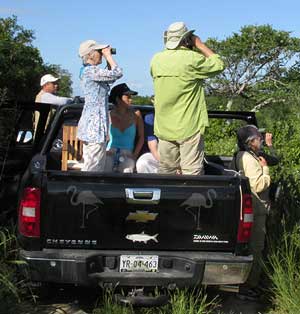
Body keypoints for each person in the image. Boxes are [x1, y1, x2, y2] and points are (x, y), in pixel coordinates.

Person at [150, 21, 225, 175]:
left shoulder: (156, 60)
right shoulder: (192, 58)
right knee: (192, 173)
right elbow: (219, 64)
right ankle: (192, 200)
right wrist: (200, 45)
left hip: (164, 126)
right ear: (186, 39)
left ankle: (166, 198)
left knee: (166, 171)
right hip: (188, 125)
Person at [232, 125, 271, 301]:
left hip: (247, 210)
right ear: (250, 142)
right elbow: (259, 185)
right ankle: (249, 287)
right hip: (256, 209)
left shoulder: (240, 156)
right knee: (256, 248)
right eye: (257, 137)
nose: (260, 139)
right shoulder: (249, 159)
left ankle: (242, 284)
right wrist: (265, 169)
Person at [77, 39, 123, 172]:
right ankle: (86, 191)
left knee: (96, 164)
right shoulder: (90, 71)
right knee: (93, 167)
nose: (101, 54)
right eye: (99, 52)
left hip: (94, 124)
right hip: (94, 126)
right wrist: (108, 55)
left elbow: (110, 78)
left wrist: (108, 60)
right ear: (90, 54)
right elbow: (118, 73)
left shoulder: (90, 71)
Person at [105, 83, 144, 173]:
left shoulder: (136, 114)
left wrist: (134, 155)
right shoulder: (108, 115)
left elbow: (141, 137)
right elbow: (103, 137)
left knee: (127, 170)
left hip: (128, 153)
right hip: (110, 151)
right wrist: (104, 152)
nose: (131, 100)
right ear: (118, 99)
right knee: (105, 167)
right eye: (128, 97)